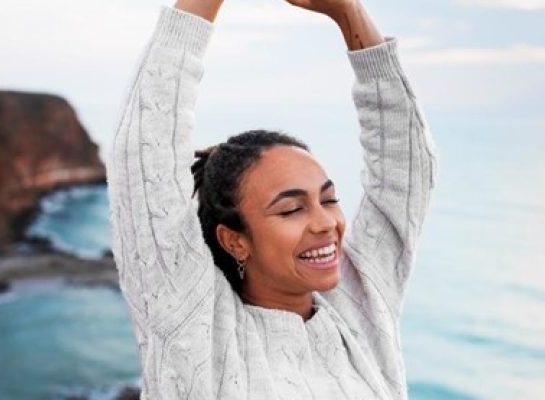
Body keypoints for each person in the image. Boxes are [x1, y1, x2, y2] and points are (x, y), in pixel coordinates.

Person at [105, 0, 438, 398]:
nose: (325, 223)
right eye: (292, 208)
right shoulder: (194, 328)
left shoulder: (359, 309)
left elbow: (406, 171)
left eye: (328, 200)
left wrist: (348, 13)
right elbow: (144, 157)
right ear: (234, 240)